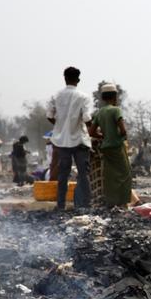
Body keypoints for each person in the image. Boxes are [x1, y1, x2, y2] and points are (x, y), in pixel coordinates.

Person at [47, 66, 92, 210]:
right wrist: (93, 131)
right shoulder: (83, 97)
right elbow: (86, 118)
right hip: (79, 140)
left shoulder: (56, 96)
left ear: (64, 78)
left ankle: (61, 205)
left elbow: (49, 116)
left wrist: (60, 126)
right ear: (78, 80)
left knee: (63, 175)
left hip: (61, 141)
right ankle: (85, 205)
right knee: (83, 175)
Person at [89, 83, 131, 207]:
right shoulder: (116, 110)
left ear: (102, 98)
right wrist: (120, 136)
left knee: (110, 176)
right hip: (117, 147)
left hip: (105, 148)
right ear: (115, 97)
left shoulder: (99, 112)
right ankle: (123, 203)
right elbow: (123, 130)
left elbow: (91, 132)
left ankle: (111, 203)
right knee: (125, 174)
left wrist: (103, 136)